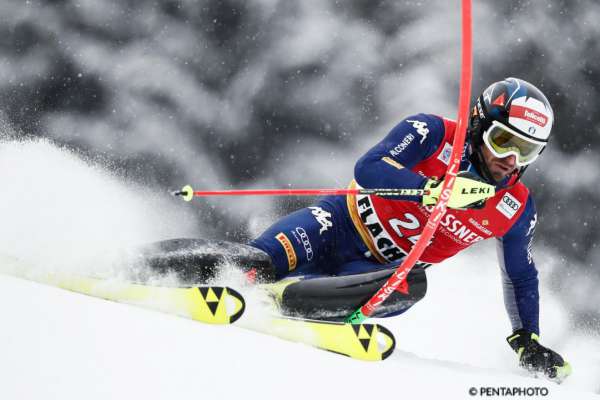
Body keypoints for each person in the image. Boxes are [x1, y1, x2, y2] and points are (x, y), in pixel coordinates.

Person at [149, 77, 570, 380]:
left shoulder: (515, 208)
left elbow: (521, 274)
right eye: (503, 142)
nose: (511, 160)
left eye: (527, 150)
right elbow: (369, 167)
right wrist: (429, 189)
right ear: (479, 125)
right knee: (258, 261)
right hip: (337, 224)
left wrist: (527, 339)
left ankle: (286, 301)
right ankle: (139, 266)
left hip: (375, 276)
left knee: (412, 284)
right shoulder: (434, 133)